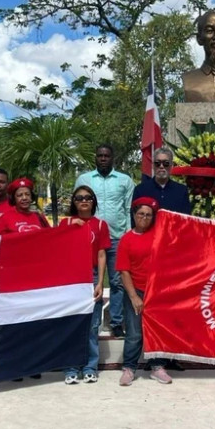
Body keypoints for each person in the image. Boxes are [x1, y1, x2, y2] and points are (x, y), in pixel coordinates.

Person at [75, 144, 134, 338]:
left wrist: (127, 234)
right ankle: (91, 321)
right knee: (91, 281)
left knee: (117, 282)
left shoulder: (124, 180)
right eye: (100, 155)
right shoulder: (84, 179)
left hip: (117, 237)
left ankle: (116, 321)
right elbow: (77, 205)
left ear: (112, 158)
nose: (103, 158)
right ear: (95, 158)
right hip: (91, 238)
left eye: (106, 155)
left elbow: (127, 209)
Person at [117, 197, 173, 386]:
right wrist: (133, 296)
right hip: (137, 291)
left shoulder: (160, 235)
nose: (144, 218)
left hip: (157, 292)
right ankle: (129, 368)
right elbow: (124, 271)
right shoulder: (126, 240)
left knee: (157, 331)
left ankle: (157, 367)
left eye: (149, 215)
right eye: (141, 214)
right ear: (134, 215)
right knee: (134, 333)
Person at [59, 186, 111, 384]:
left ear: (93, 201)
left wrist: (99, 282)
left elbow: (101, 254)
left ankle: (90, 366)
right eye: (79, 197)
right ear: (73, 201)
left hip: (91, 275)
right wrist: (72, 224)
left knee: (92, 325)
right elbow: (59, 249)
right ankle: (71, 367)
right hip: (72, 278)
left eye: (88, 198)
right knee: (71, 324)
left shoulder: (100, 225)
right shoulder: (66, 223)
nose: (84, 201)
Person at [133, 147, 190, 214]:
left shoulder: (181, 191)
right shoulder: (140, 190)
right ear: (153, 166)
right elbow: (134, 218)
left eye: (166, 163)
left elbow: (186, 219)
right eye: (157, 163)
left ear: (171, 166)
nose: (161, 166)